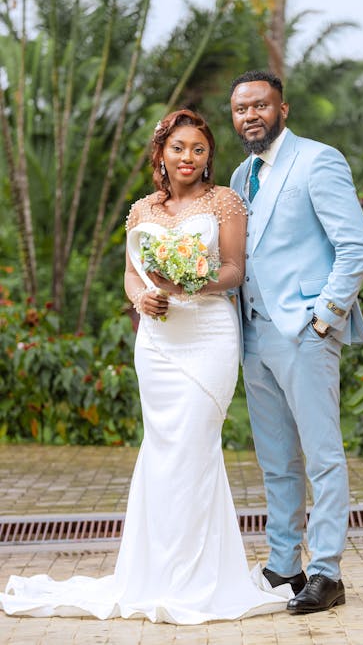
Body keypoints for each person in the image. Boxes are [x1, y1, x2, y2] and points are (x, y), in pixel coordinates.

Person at [0, 109, 291, 624]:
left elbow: (233, 269)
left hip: (208, 336)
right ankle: (154, 574)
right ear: (162, 152)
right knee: (161, 450)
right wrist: (143, 299)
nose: (188, 157)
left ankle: (202, 577)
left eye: (198, 149)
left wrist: (189, 285)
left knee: (196, 447)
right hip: (157, 343)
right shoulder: (141, 211)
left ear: (208, 157)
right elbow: (133, 277)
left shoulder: (224, 201)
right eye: (179, 147)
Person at [229, 71, 363, 615]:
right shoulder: (242, 176)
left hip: (305, 334)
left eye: (261, 106)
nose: (251, 116)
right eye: (241, 109)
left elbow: (356, 246)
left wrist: (325, 317)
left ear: (282, 110)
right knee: (275, 460)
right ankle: (285, 563)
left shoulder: (319, 160)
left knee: (321, 456)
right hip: (254, 336)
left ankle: (327, 572)